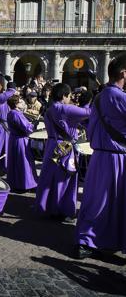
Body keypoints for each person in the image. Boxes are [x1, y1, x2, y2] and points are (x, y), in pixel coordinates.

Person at [75, 57, 126, 259]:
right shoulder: (119, 97)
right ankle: (94, 240)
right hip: (117, 158)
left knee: (97, 201)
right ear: (123, 73)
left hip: (99, 156)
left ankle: (91, 239)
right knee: (111, 202)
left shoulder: (100, 97)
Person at [35, 83, 91, 222]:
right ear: (64, 95)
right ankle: (60, 210)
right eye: (69, 95)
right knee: (64, 179)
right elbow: (89, 113)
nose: (70, 98)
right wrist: (86, 101)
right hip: (64, 146)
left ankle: (46, 206)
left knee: (49, 177)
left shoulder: (50, 108)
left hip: (51, 145)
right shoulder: (65, 108)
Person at [6, 95, 38, 192]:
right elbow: (26, 128)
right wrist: (34, 125)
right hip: (20, 140)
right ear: (16, 104)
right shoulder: (16, 114)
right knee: (23, 162)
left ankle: (16, 183)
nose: (22, 103)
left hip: (14, 139)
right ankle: (25, 184)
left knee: (16, 162)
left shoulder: (12, 113)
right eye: (20, 102)